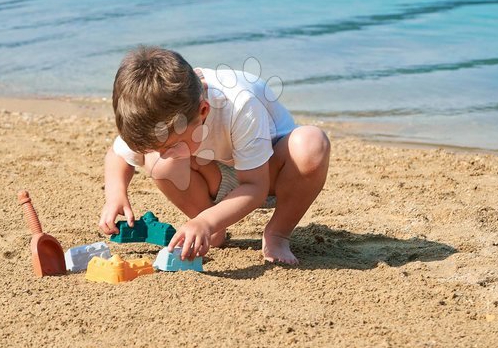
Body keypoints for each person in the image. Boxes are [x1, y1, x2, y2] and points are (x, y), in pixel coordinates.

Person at [98, 46, 330, 264]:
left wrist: (203, 222)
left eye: (171, 145)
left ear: (203, 111)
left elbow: (255, 186)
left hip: (271, 175)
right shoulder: (158, 110)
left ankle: (277, 234)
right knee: (159, 163)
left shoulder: (240, 104)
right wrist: (115, 195)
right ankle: (214, 232)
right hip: (218, 175)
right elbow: (117, 155)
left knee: (311, 144)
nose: (165, 154)